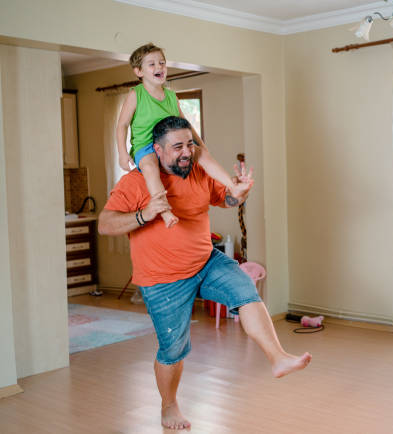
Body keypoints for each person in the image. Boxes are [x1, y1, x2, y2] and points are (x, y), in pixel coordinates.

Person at [99, 116, 311, 430]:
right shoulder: (135, 182)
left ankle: (278, 358)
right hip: (162, 280)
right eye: (177, 147)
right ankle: (169, 406)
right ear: (157, 150)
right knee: (173, 349)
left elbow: (224, 199)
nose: (186, 152)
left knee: (244, 288)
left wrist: (239, 193)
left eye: (190, 144)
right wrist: (145, 214)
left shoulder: (198, 172)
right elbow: (105, 224)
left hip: (204, 262)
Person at [116, 43, 244, 228]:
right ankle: (165, 211)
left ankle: (231, 186)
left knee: (203, 156)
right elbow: (122, 125)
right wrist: (122, 153)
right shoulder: (136, 95)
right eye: (151, 64)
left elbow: (187, 125)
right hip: (146, 146)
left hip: (171, 144)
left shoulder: (171, 96)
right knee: (151, 169)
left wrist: (201, 145)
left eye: (162, 62)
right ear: (139, 71)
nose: (159, 67)